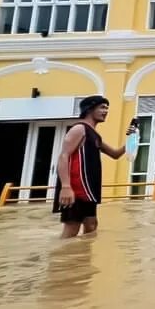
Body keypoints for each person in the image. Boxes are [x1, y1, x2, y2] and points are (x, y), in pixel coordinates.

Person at [53, 95, 136, 239]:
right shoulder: (79, 129)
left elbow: (115, 154)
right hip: (75, 188)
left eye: (107, 108)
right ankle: (57, 258)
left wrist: (131, 139)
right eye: (102, 107)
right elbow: (63, 156)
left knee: (91, 225)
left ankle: (83, 260)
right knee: (72, 228)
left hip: (89, 189)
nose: (106, 111)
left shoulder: (95, 135)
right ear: (89, 109)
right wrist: (66, 186)